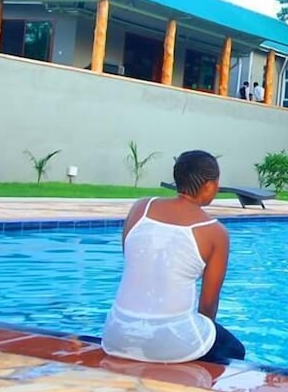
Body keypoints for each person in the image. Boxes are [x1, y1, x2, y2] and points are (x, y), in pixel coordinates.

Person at [102, 150, 246, 364]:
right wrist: (200, 342)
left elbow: (136, 263)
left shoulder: (140, 208)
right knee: (234, 350)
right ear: (209, 185)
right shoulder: (215, 233)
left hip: (116, 335)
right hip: (170, 345)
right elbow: (207, 305)